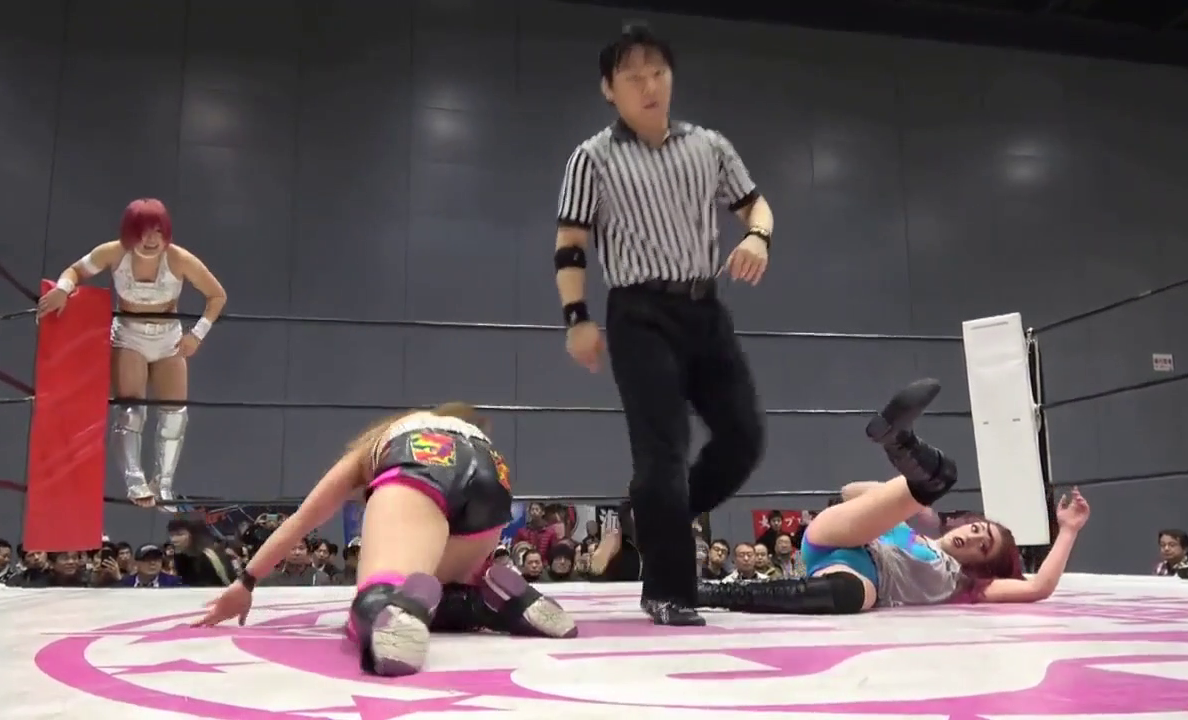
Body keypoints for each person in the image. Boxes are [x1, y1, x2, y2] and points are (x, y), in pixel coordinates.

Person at [553, 21, 772, 627]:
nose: (649, 86)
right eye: (633, 77)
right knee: (664, 451)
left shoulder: (709, 146)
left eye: (658, 73)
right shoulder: (592, 158)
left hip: (704, 307)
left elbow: (754, 203)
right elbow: (570, 243)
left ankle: (650, 516)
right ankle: (668, 589)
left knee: (745, 438)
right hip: (639, 314)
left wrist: (758, 235)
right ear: (609, 88)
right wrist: (576, 318)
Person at [194, 403, 577, 677]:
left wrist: (246, 581)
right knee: (440, 589)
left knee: (381, 597)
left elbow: (302, 520)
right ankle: (493, 601)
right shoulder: (470, 436)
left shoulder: (381, 443)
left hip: (421, 461)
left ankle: (391, 607)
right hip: (493, 473)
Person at [696, 379, 1092, 614]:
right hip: (844, 535)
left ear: (983, 565)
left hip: (858, 574)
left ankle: (711, 593)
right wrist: (894, 505)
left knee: (853, 597)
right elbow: (849, 492)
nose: (972, 537)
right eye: (977, 528)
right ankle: (898, 442)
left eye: (983, 546)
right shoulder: (913, 528)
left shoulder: (964, 584)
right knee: (940, 477)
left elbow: (1038, 587)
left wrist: (1069, 530)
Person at [37, 198, 227, 510]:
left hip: (169, 339)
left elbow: (217, 295)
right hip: (129, 336)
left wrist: (197, 334)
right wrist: (62, 289)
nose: (151, 239)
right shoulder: (113, 252)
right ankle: (134, 479)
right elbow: (75, 270)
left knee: (176, 414)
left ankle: (163, 483)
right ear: (129, 232)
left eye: (158, 231)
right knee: (131, 409)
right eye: (144, 231)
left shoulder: (180, 259)